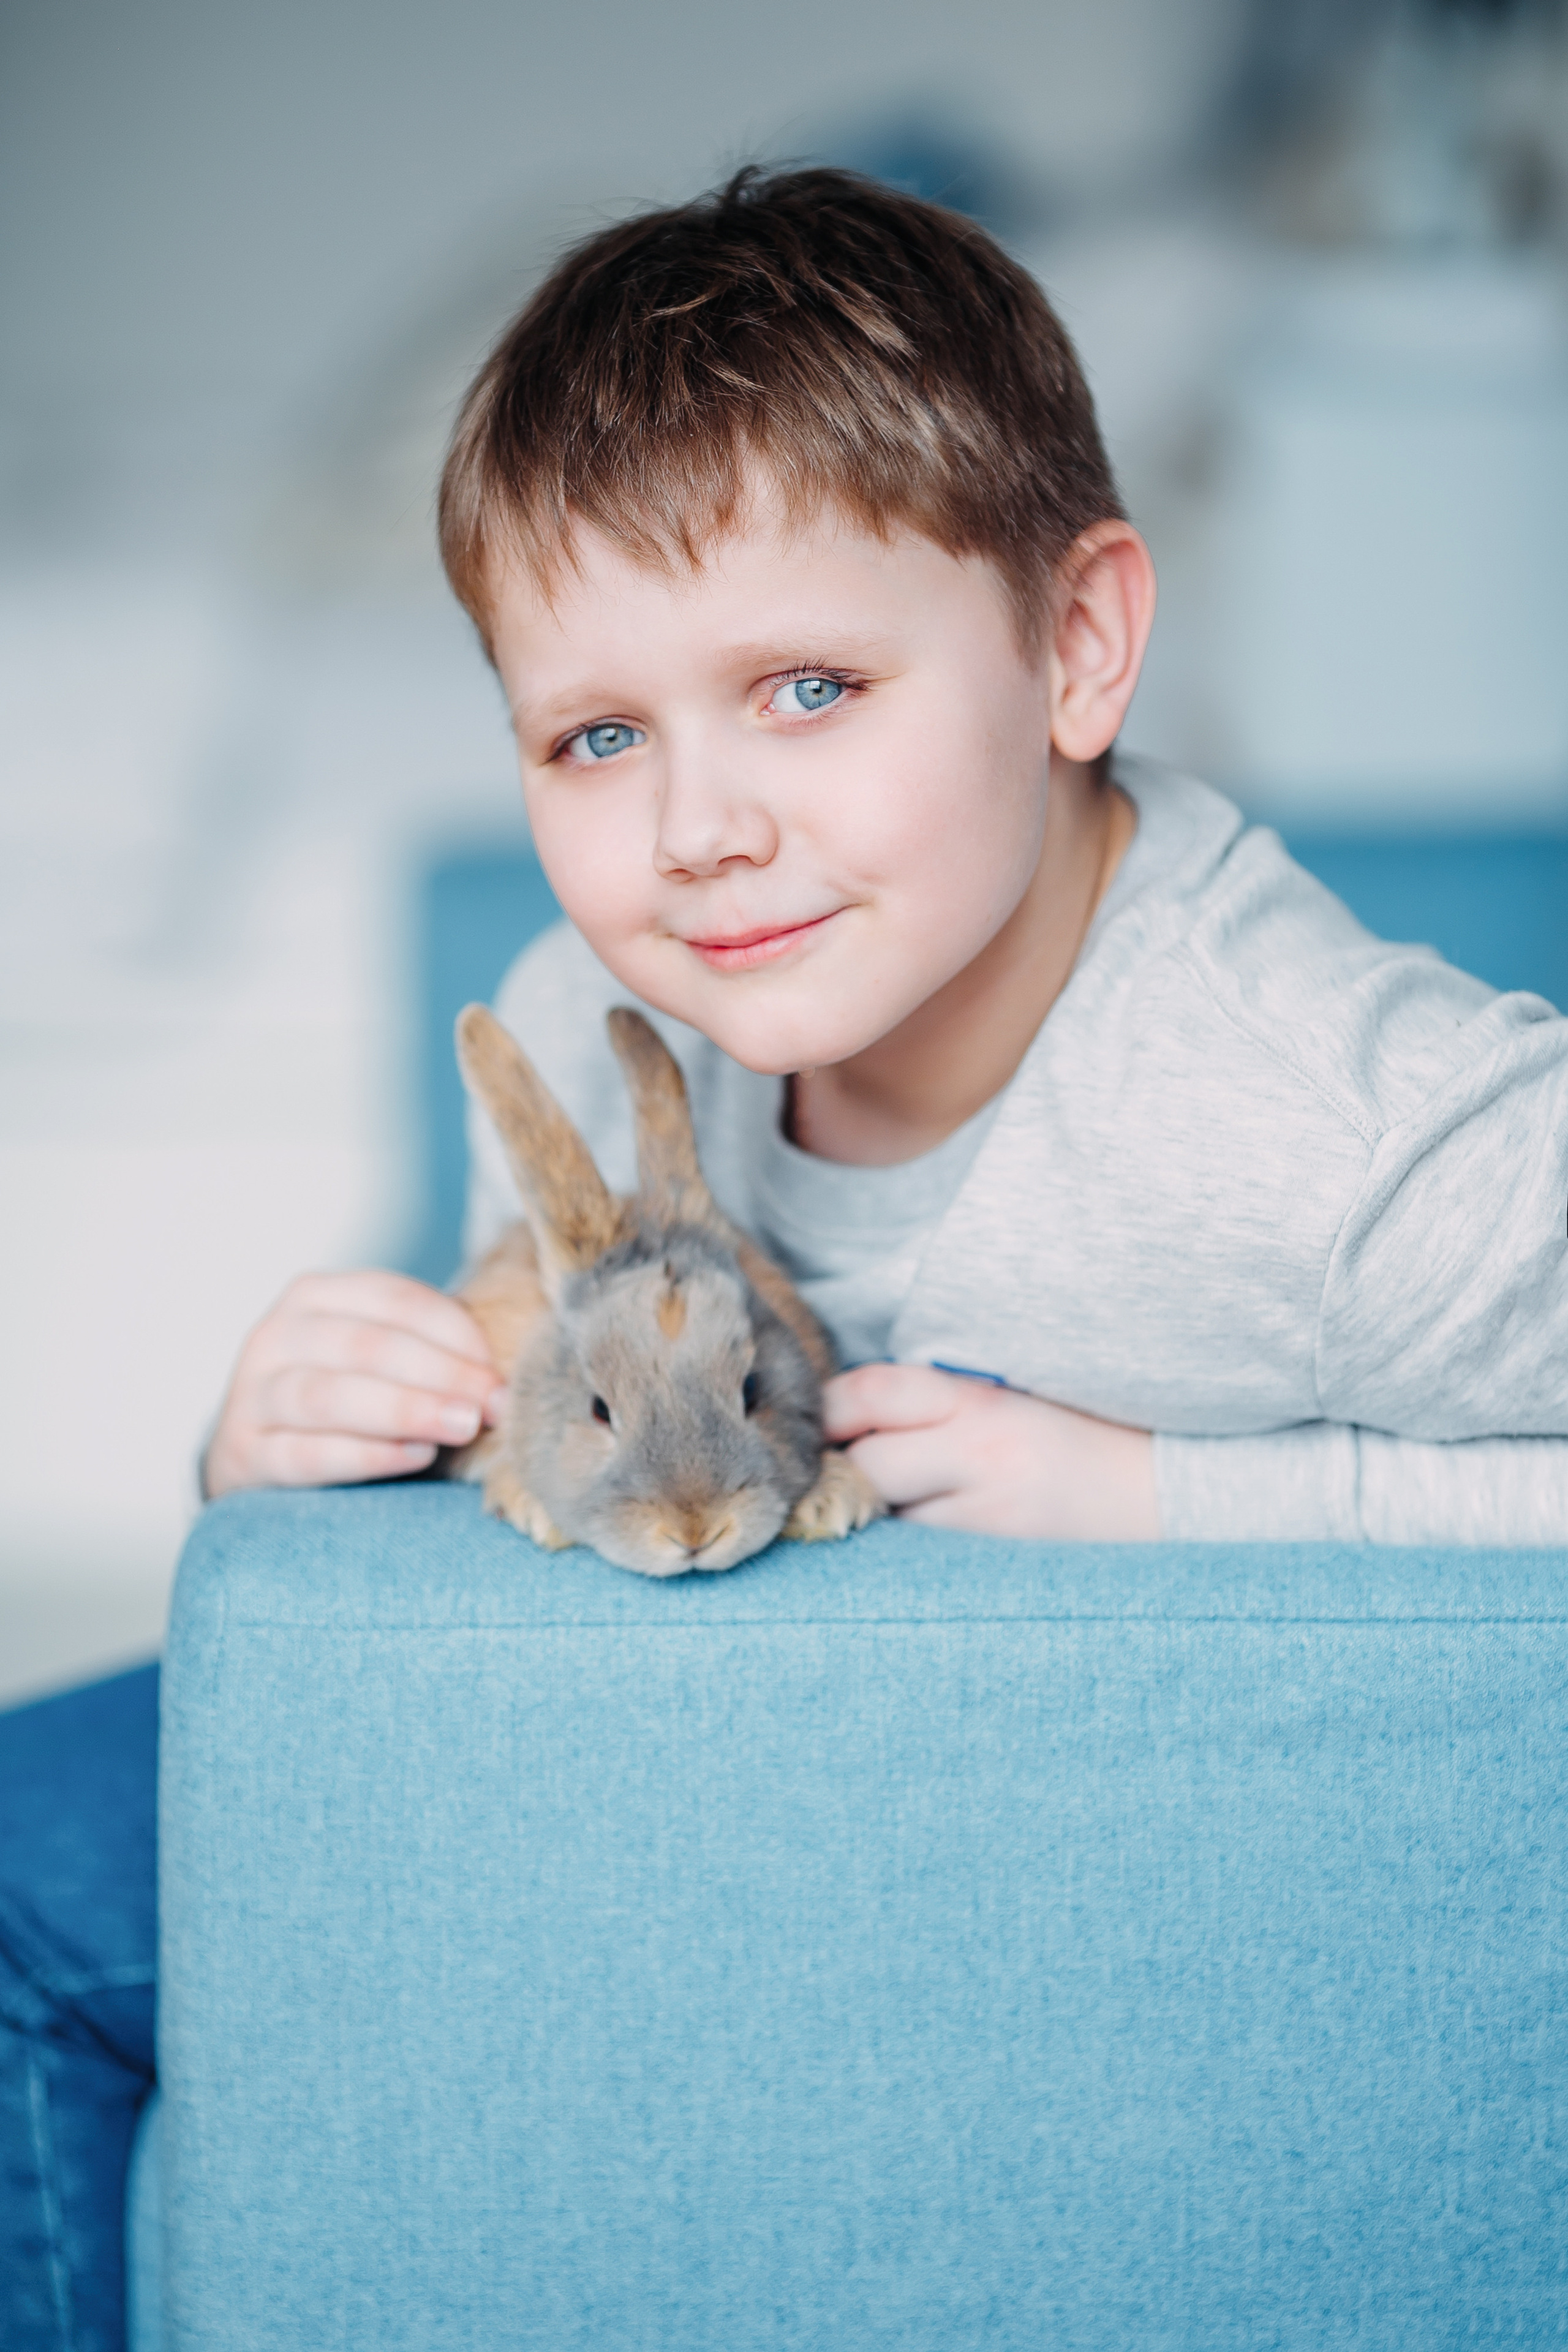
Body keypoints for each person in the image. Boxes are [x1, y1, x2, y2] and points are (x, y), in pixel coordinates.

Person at [5, 165, 1566, 2350]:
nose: (692, 830)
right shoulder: (585, 1009)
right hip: (700, 1828)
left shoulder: (1335, 1134)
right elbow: (558, 1415)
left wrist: (1182, 1500)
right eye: (598, 734)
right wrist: (297, 1459)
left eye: (810, 685)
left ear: (1080, 645)